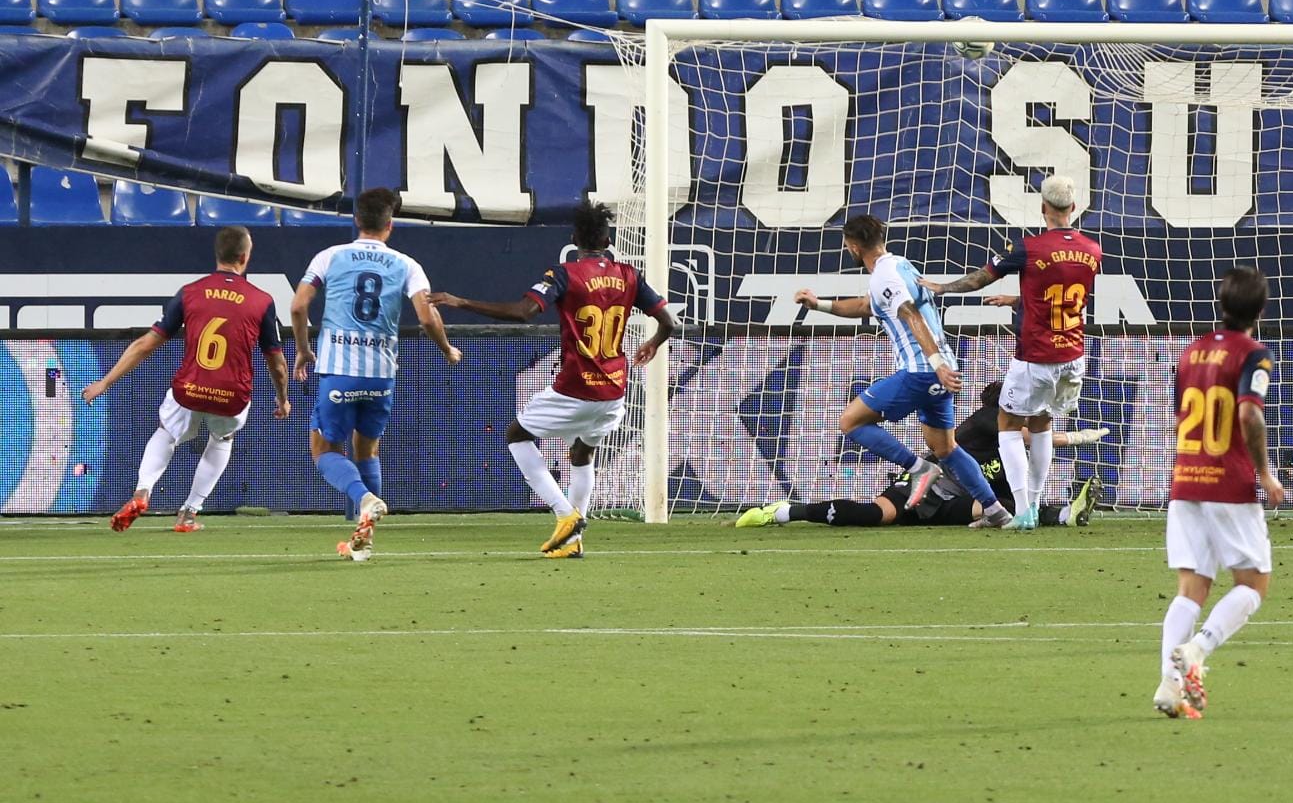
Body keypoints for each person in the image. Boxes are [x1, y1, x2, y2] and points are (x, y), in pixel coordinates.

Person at [429, 200, 676, 560]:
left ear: (575, 239)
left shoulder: (564, 274)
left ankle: (566, 516)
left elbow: (523, 312)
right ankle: (573, 542)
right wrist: (652, 345)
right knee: (582, 451)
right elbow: (669, 322)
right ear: (608, 241)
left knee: (516, 435)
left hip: (576, 388)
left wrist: (459, 301)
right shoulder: (629, 275)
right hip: (615, 391)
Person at [794, 214, 1011, 528]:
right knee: (946, 448)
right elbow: (867, 307)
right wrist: (820, 305)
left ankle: (919, 468)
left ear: (853, 246)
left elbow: (910, 315)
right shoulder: (900, 265)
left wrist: (935, 366)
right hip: (941, 368)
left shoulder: (885, 278)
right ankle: (995, 511)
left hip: (922, 370)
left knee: (850, 421)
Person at [921, 174, 1103, 531]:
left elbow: (979, 279)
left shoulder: (1029, 247)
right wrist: (1019, 300)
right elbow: (1061, 297)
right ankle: (1034, 503)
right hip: (1074, 355)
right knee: (1043, 425)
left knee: (1007, 422)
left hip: (1036, 355)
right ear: (1075, 208)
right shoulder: (1092, 250)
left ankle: (1022, 511)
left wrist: (941, 287)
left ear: (1043, 207)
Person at [290, 188, 460, 562]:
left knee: (323, 450)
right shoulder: (407, 264)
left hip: (338, 370)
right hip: (381, 374)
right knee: (367, 448)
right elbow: (426, 316)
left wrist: (303, 350)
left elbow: (299, 306)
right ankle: (363, 540)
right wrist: (446, 349)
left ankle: (365, 500)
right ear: (390, 225)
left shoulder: (330, 256)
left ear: (356, 221)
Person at [83, 226, 290, 532]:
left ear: (217, 255)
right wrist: (282, 397)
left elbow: (146, 344)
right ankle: (189, 513)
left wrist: (105, 382)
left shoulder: (191, 292)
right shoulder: (261, 301)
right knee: (222, 439)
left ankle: (143, 491)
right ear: (245, 257)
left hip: (190, 388)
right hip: (232, 395)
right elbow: (277, 362)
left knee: (167, 432)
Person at [1154, 266, 1285, 721]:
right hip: (1228, 483)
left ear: (1221, 304)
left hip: (1185, 479)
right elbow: (1249, 414)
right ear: (1260, 310)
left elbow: (1177, 420)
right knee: (1254, 585)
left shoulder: (1191, 352)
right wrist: (1265, 473)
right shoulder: (1255, 354)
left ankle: (1170, 688)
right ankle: (1197, 652)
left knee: (1190, 590)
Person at [736, 381, 1106, 528]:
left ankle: (1064, 514)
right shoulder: (987, 420)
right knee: (874, 515)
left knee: (1006, 507)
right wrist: (1074, 437)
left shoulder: (1008, 450)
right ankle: (784, 512)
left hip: (956, 498)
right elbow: (1030, 437)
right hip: (923, 486)